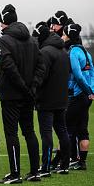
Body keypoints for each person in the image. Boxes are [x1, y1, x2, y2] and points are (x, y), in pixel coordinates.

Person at [0, 4, 44, 184]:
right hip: (28, 94)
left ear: (5, 21)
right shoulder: (32, 40)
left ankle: (15, 174)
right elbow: (41, 66)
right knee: (29, 131)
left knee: (11, 133)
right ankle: (34, 172)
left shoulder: (4, 40)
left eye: (0, 22)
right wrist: (33, 87)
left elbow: (8, 66)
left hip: (12, 94)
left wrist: (24, 87)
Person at [32, 22, 71, 176]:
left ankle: (46, 167)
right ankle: (64, 165)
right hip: (62, 98)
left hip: (47, 100)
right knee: (63, 131)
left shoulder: (45, 52)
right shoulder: (63, 51)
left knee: (46, 133)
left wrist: (34, 91)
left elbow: (41, 77)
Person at [62, 23, 93, 171]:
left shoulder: (73, 52)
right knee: (83, 129)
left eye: (64, 34)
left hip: (77, 95)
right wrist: (91, 91)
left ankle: (64, 162)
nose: (62, 37)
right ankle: (82, 162)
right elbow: (92, 74)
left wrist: (86, 90)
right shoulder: (86, 53)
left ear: (69, 36)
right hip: (87, 97)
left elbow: (78, 75)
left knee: (66, 128)